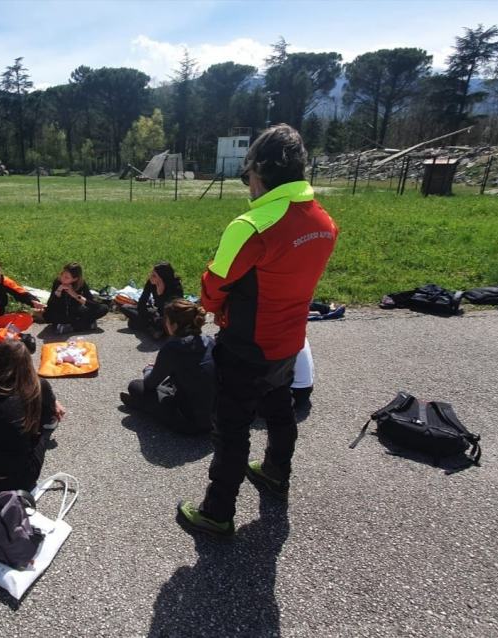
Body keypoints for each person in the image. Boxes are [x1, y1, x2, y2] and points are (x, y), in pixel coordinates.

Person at [177, 124, 338, 540]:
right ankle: (275, 473)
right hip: (289, 341)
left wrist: (220, 300)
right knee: (280, 409)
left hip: (247, 345)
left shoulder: (250, 225)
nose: (247, 184)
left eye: (248, 175)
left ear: (261, 172)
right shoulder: (324, 222)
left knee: (230, 429)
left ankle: (217, 511)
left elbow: (212, 291)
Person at [0, 340, 66, 491]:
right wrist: (51, 404)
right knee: (45, 429)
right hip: (17, 481)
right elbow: (46, 417)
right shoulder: (38, 385)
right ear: (27, 362)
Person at [120, 299, 214, 435]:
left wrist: (148, 369)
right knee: (169, 383)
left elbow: (150, 384)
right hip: (218, 419)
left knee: (135, 386)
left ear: (174, 325)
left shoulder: (173, 347)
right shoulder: (209, 340)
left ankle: (142, 405)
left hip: (191, 423)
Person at [119, 261, 184, 340]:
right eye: (151, 274)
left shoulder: (175, 286)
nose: (150, 277)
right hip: (155, 314)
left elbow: (173, 309)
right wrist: (146, 314)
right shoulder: (151, 282)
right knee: (125, 307)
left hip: (167, 317)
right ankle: (151, 328)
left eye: (154, 275)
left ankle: (148, 327)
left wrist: (161, 292)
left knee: (135, 324)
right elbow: (142, 301)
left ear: (162, 277)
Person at [43, 262, 109, 334]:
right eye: (62, 275)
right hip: (61, 313)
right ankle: (86, 325)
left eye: (67, 277)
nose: (63, 278)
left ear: (75, 279)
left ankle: (70, 327)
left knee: (104, 308)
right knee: (48, 315)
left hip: (75, 312)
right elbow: (50, 305)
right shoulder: (58, 281)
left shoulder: (81, 284)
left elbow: (94, 304)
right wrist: (58, 291)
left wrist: (75, 295)